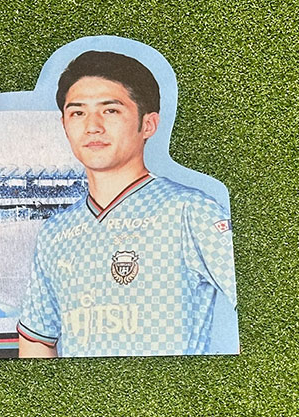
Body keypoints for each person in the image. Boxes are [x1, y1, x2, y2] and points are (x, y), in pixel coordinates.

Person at [17, 51, 237, 358]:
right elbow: (38, 339)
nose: (92, 126)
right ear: (64, 125)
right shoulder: (55, 233)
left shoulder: (189, 211)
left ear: (148, 124)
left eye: (110, 110)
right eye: (77, 113)